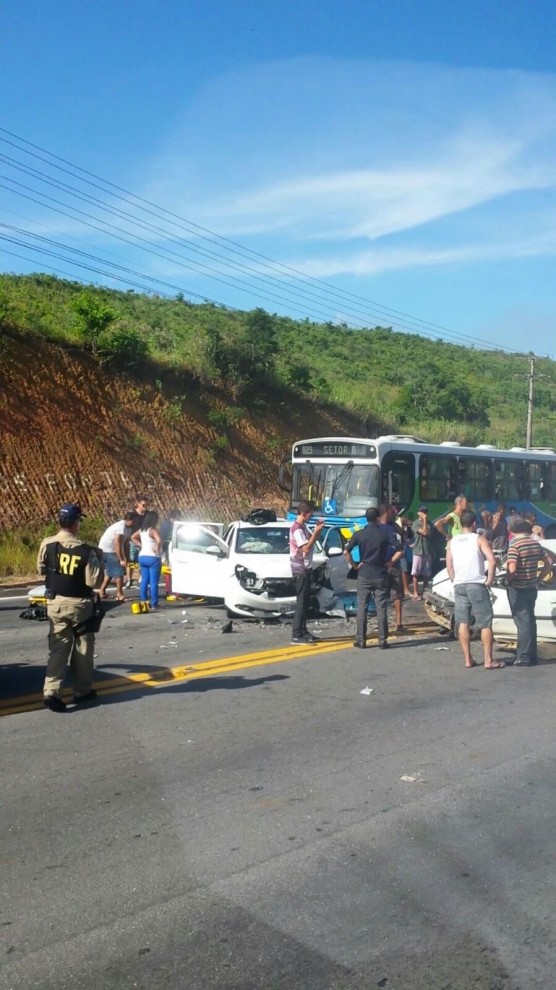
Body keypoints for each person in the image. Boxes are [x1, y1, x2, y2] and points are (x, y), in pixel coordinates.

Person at [38, 502, 104, 712]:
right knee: (82, 648)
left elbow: (41, 569)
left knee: (58, 648)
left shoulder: (47, 544)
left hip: (55, 604)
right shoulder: (86, 550)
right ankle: (82, 691)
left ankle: (51, 692)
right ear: (76, 523)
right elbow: (93, 582)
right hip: (80, 606)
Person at [446, 509, 504, 669]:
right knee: (485, 622)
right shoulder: (479, 539)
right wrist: (490, 579)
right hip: (477, 584)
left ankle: (467, 659)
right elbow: (491, 560)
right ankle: (488, 660)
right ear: (474, 524)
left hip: (459, 585)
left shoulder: (452, 542)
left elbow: (449, 565)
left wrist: (454, 579)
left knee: (463, 622)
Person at [344, 506, 402, 649]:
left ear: (366, 518)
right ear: (377, 518)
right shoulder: (385, 533)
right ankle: (382, 640)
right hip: (380, 573)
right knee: (381, 607)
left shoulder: (359, 534)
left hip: (364, 574)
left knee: (362, 607)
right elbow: (401, 549)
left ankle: (361, 639)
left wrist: (355, 565)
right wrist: (390, 562)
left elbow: (346, 552)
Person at [505, 516, 552, 666]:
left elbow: (512, 568)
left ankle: (523, 656)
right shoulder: (535, 543)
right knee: (531, 620)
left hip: (518, 588)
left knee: (522, 622)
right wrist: (539, 579)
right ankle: (532, 654)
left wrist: (508, 580)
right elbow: (549, 562)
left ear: (511, 530)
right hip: (532, 587)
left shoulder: (515, 545)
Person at [289, 501, 325, 644]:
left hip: (306, 568)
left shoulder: (303, 527)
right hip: (300, 569)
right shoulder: (297, 529)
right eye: (310, 513)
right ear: (304, 513)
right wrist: (316, 533)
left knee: (305, 602)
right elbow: (306, 549)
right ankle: (296, 634)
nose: (312, 516)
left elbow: (310, 541)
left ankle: (303, 631)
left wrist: (316, 531)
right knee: (301, 603)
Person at [98, 510, 139, 601]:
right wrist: (121, 559)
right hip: (107, 550)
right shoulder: (121, 526)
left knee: (110, 573)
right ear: (128, 520)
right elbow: (117, 543)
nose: (134, 523)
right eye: (133, 521)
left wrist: (128, 558)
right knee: (119, 571)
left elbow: (126, 544)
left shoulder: (128, 528)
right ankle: (119, 594)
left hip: (109, 550)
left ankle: (101, 591)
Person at [379, 503, 405, 632]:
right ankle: (383, 623)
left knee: (397, 595)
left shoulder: (393, 526)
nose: (394, 513)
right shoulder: (377, 527)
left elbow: (404, 534)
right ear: (387, 512)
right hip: (382, 566)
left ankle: (399, 623)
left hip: (394, 565)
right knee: (382, 595)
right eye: (392, 511)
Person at [132, 510, 163, 611]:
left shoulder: (142, 530)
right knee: (153, 582)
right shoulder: (153, 530)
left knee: (144, 580)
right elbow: (159, 540)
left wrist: (142, 545)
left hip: (142, 556)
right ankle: (154, 604)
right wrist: (157, 549)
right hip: (153, 557)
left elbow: (133, 537)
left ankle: (143, 602)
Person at [125, 495, 148, 588]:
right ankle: (129, 580)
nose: (145, 507)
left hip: (143, 541)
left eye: (146, 505)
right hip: (132, 541)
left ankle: (140, 579)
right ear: (138, 504)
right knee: (131, 561)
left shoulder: (147, 515)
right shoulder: (132, 514)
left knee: (141, 561)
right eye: (143, 505)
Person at [159, 508, 183, 596]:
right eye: (178, 518)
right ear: (173, 517)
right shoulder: (166, 525)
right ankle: (169, 589)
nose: (179, 519)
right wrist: (162, 553)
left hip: (176, 549)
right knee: (169, 569)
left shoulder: (178, 525)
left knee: (174, 569)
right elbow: (162, 538)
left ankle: (175, 590)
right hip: (167, 549)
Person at [411, 505, 432, 599]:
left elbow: (428, 533)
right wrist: (424, 521)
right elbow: (423, 532)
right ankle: (415, 592)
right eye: (422, 511)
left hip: (427, 550)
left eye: (425, 512)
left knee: (426, 573)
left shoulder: (429, 524)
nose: (424, 513)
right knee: (415, 573)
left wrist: (426, 521)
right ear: (418, 512)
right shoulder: (415, 523)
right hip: (418, 550)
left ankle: (425, 591)